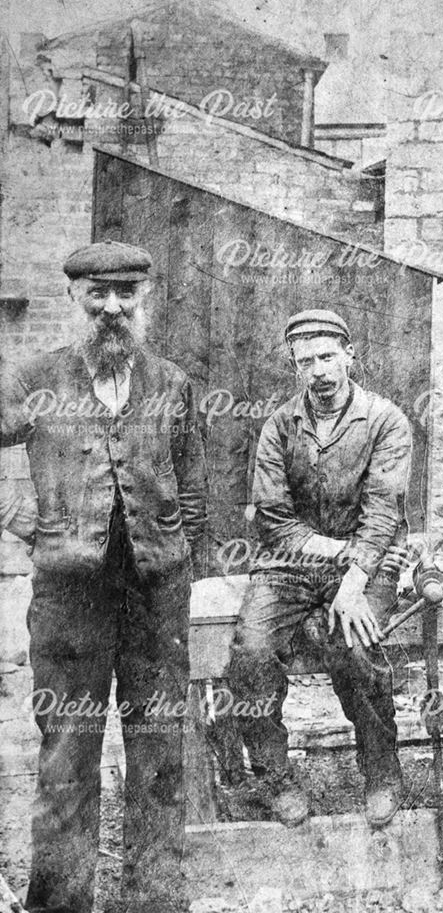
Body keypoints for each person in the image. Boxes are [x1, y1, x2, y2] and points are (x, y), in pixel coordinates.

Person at [0, 241, 208, 913]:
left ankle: (155, 903)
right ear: (74, 298)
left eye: (126, 294)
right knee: (67, 761)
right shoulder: (36, 377)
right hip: (70, 598)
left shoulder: (171, 382)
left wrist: (180, 554)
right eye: (99, 295)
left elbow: (196, 485)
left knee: (161, 759)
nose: (112, 308)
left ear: (145, 298)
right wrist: (24, 519)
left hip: (155, 597)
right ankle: (59, 905)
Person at [227, 309, 411, 829]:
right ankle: (275, 779)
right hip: (290, 563)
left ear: (349, 354)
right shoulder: (279, 426)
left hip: (368, 564)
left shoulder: (385, 421)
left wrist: (354, 582)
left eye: (327, 356)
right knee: (251, 652)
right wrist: (337, 552)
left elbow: (383, 515)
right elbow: (273, 520)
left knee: (354, 648)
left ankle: (381, 772)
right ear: (294, 365)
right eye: (305, 361)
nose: (319, 371)